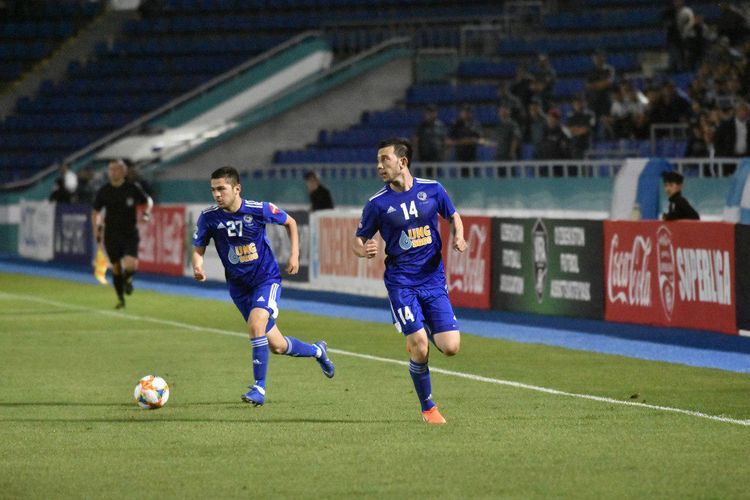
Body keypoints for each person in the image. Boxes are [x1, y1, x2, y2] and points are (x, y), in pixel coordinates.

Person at [192, 166, 334, 406]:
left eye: (221, 189)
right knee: (277, 345)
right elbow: (198, 248)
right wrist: (198, 266)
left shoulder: (258, 209)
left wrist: (294, 255)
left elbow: (290, 222)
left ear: (237, 189)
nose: (216, 194)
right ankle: (318, 351)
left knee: (256, 324)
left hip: (265, 280)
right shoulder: (209, 217)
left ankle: (259, 388)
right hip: (238, 288)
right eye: (213, 190)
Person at [352, 138, 467, 425]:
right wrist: (363, 250)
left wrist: (459, 235)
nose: (379, 166)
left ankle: (417, 329)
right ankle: (428, 408)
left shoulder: (433, 189)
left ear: (402, 162)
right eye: (378, 161)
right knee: (420, 346)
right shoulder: (377, 204)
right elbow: (358, 240)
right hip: (401, 282)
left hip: (433, 280)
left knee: (451, 347)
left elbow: (453, 215)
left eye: (385, 160)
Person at [92, 159, 153, 309]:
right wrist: (96, 229)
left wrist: (146, 213)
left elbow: (148, 201)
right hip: (111, 234)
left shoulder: (132, 188)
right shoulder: (104, 191)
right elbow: (96, 212)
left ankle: (128, 279)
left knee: (131, 264)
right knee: (116, 267)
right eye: (111, 169)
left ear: (123, 171)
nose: (113, 172)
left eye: (116, 169)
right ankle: (121, 298)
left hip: (129, 232)